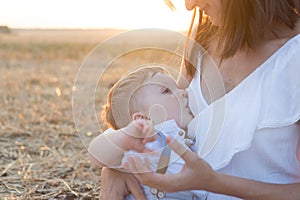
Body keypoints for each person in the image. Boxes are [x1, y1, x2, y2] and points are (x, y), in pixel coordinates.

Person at [99, 0, 300, 199]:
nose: (189, 5)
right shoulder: (202, 36)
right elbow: (151, 111)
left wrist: (213, 183)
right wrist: (117, 167)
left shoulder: (294, 58)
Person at [88, 66, 204, 199]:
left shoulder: (191, 138)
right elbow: (96, 154)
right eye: (167, 91)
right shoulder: (142, 143)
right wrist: (127, 136)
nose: (184, 92)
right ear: (142, 118)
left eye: (177, 88)